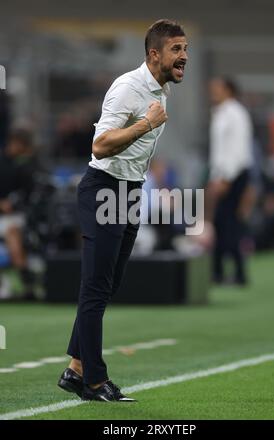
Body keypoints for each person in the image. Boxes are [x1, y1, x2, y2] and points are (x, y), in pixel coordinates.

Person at [58, 19, 188, 402]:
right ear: (154, 54)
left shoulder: (160, 89)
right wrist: (145, 124)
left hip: (129, 191)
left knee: (109, 283)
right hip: (103, 188)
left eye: (185, 49)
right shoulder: (128, 88)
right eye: (176, 50)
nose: (184, 57)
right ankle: (95, 381)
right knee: (96, 287)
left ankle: (75, 369)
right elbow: (99, 146)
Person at [206, 77, 254, 285]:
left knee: (229, 223)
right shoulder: (221, 113)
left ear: (228, 90)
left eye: (216, 88)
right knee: (221, 223)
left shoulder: (236, 114)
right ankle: (219, 271)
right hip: (223, 175)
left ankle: (237, 273)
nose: (212, 92)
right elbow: (219, 151)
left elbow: (237, 149)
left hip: (234, 175)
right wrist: (215, 177)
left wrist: (225, 178)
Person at [0, 128, 38, 298]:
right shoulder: (3, 163)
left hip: (14, 217)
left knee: (13, 234)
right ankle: (25, 281)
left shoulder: (24, 165)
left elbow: (28, 193)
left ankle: (27, 284)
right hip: (5, 215)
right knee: (12, 233)